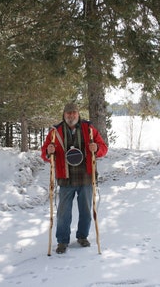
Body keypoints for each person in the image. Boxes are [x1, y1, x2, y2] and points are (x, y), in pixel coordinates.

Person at [41, 103, 108, 254]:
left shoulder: (88, 129)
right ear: (64, 115)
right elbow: (44, 153)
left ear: (78, 114)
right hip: (65, 177)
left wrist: (96, 148)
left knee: (85, 210)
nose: (71, 116)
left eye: (74, 113)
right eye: (68, 113)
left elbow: (103, 147)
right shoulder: (55, 131)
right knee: (64, 212)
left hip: (86, 176)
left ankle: (82, 236)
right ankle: (62, 241)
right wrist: (48, 151)